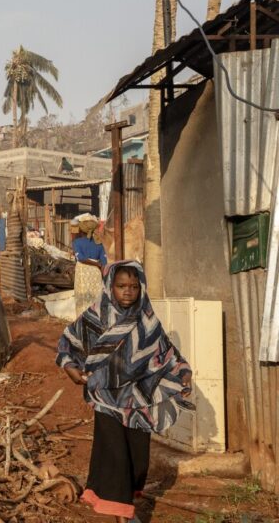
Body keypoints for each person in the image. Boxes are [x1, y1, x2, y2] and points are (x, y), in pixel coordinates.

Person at [57, 261, 193, 523]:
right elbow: (68, 344)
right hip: (105, 398)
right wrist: (70, 368)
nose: (128, 291)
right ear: (110, 287)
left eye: (133, 286)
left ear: (141, 287)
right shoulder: (96, 316)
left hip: (139, 400)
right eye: (121, 286)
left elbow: (168, 355)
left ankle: (124, 500)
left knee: (137, 459)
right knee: (116, 456)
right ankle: (122, 513)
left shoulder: (148, 320)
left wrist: (182, 377)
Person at [72, 213, 108, 317]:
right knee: (95, 296)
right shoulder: (99, 243)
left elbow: (81, 258)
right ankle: (96, 318)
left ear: (82, 229)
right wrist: (98, 266)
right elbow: (104, 263)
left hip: (83, 272)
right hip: (95, 273)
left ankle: (83, 319)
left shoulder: (77, 242)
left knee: (82, 297)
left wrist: (94, 263)